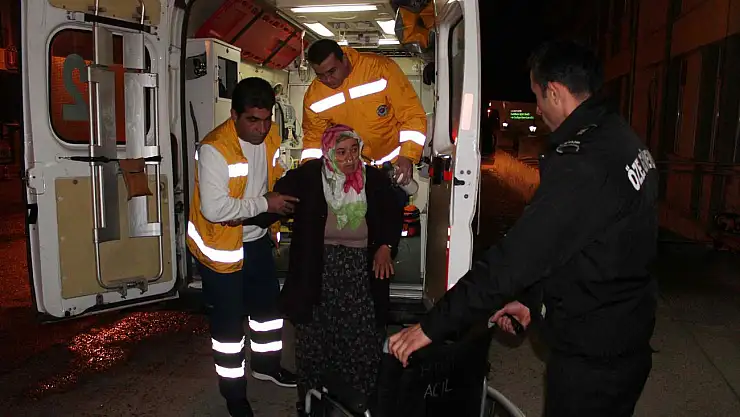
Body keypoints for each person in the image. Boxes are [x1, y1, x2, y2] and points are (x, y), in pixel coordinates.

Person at [389, 40, 659, 417]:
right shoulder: (619, 137)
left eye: (537, 96)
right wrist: (535, 304)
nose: (538, 108)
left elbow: (515, 259)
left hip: (594, 356)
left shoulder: (584, 164)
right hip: (620, 332)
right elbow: (587, 247)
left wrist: (431, 327)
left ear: (555, 92)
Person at [252, 124, 403, 415]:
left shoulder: (372, 179)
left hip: (360, 270)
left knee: (361, 340)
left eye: (354, 150)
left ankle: (358, 405)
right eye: (341, 152)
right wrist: (244, 216)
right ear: (328, 153)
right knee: (315, 341)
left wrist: (386, 245)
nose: (350, 159)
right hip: (317, 268)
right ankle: (314, 405)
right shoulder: (309, 176)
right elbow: (276, 200)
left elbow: (392, 213)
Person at [186, 77, 299, 417]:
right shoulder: (214, 149)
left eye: (266, 120)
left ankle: (266, 366)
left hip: (256, 240)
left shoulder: (272, 135)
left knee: (267, 313)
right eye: (252, 120)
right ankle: (234, 394)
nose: (261, 129)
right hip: (221, 250)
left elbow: (272, 178)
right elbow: (215, 209)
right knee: (229, 328)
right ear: (234, 115)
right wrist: (266, 204)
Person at [299, 39, 427, 186]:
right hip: (352, 174)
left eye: (332, 71)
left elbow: (411, 115)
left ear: (344, 60)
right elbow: (314, 140)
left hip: (393, 166)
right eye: (320, 75)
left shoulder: (380, 69)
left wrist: (407, 155)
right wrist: (311, 172)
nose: (328, 79)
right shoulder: (314, 97)